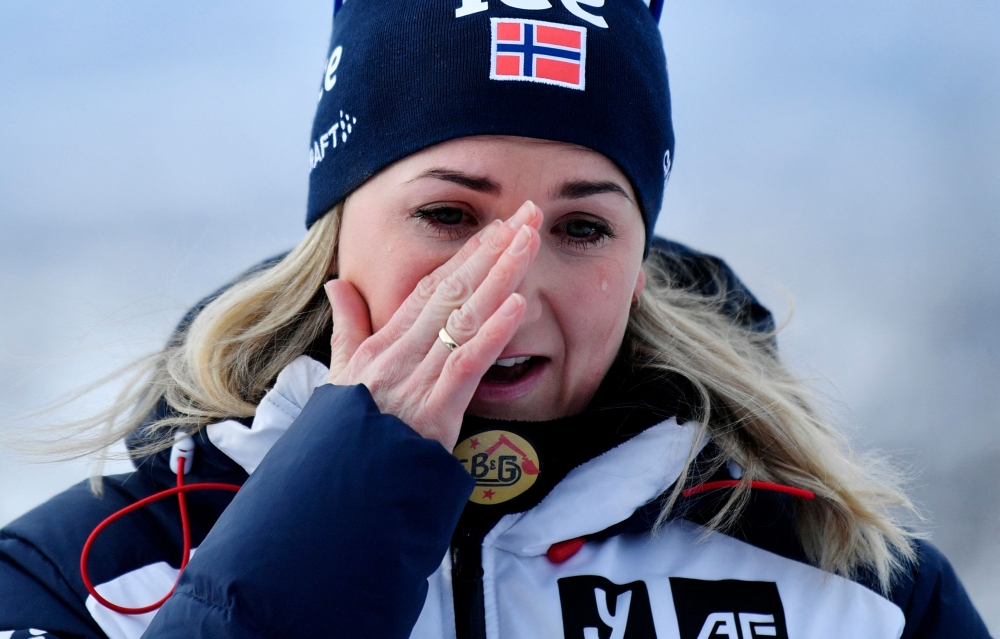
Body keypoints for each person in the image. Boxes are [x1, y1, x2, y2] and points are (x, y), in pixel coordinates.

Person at [0, 0, 991, 637]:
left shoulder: (855, 590)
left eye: (582, 226)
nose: (508, 292)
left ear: (640, 260)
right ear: (338, 234)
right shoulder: (97, 566)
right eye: (447, 214)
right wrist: (337, 509)